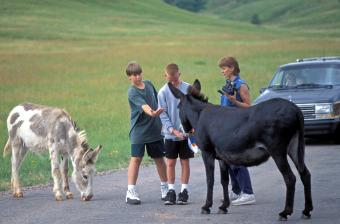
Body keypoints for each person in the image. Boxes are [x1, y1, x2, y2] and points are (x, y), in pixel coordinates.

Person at [125, 61, 168, 205]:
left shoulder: (149, 84)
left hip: (155, 129)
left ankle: (165, 189)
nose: (137, 77)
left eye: (139, 74)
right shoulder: (132, 91)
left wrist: (162, 116)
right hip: (139, 130)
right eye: (134, 75)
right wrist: (152, 112)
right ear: (129, 78)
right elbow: (144, 106)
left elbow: (158, 98)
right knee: (136, 159)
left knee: (159, 159)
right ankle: (131, 192)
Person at [218, 56, 256, 206]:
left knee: (237, 160)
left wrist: (235, 101)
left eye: (224, 68)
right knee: (228, 161)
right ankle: (237, 190)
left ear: (232, 67)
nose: (222, 71)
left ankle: (248, 193)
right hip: (228, 128)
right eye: (221, 69)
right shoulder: (229, 84)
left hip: (239, 128)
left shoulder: (241, 85)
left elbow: (249, 107)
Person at [158, 63, 194, 205]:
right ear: (165, 76)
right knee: (171, 163)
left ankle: (184, 191)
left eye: (175, 78)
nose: (173, 81)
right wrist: (173, 130)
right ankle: (171, 191)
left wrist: (191, 127)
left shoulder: (188, 89)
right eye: (169, 79)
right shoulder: (162, 92)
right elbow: (163, 114)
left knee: (185, 162)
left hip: (186, 134)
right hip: (170, 134)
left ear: (179, 74)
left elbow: (194, 108)